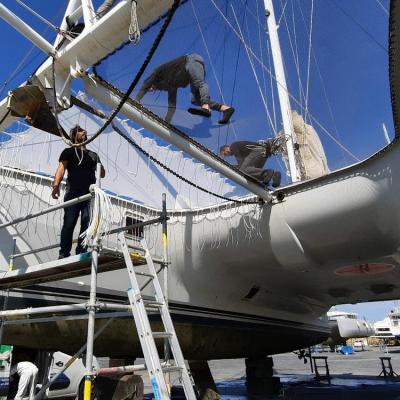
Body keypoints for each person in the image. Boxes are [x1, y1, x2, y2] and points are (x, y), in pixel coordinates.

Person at [52, 125, 105, 259]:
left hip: (89, 194)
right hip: (73, 193)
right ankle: (64, 253)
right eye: (81, 131)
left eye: (84, 131)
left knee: (86, 223)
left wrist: (99, 165)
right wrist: (56, 185)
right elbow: (61, 169)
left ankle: (81, 250)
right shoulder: (68, 152)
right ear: (74, 135)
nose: (84, 132)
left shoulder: (93, 155)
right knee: (69, 223)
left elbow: (102, 174)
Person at [136, 54, 235, 124]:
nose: (152, 90)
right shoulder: (171, 86)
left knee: (200, 83)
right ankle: (226, 109)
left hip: (191, 61)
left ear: (152, 82)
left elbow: (146, 83)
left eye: (151, 88)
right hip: (189, 74)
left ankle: (206, 107)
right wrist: (166, 121)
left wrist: (137, 99)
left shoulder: (157, 73)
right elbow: (172, 105)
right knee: (195, 100)